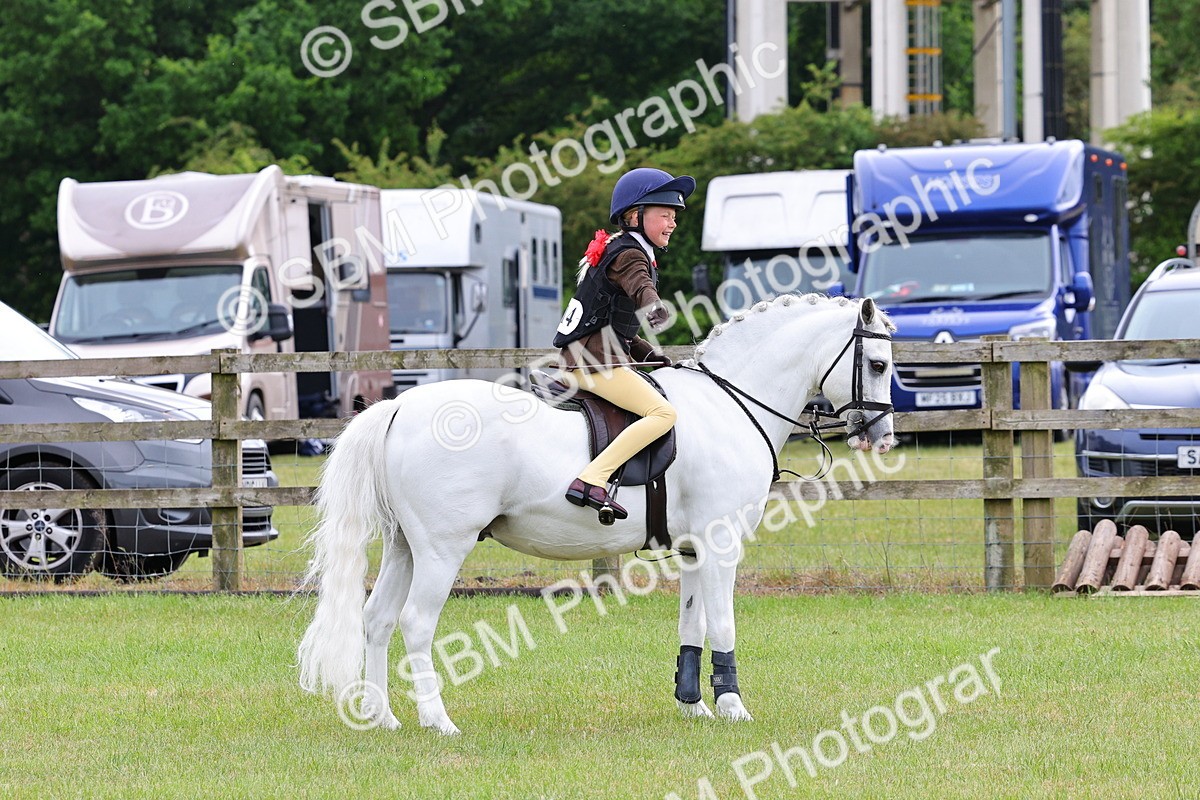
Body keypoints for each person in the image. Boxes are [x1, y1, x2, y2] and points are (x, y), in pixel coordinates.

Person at [552, 167, 694, 522]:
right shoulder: (630, 255)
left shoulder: (623, 248)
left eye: (674, 216)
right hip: (592, 362)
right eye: (664, 214)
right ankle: (592, 479)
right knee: (664, 414)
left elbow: (616, 323)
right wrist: (655, 309)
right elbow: (641, 287)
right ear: (635, 215)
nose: (672, 222)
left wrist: (648, 352)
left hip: (591, 354)